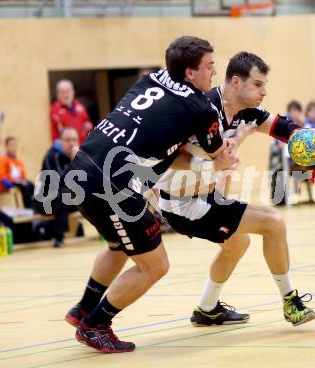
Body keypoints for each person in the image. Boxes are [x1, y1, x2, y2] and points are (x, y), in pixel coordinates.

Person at [64, 36, 230, 353]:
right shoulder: (200, 108)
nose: (214, 71)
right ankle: (95, 326)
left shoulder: (151, 78)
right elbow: (218, 155)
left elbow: (164, 146)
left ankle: (84, 308)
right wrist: (226, 154)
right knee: (155, 265)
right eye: (209, 66)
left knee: (119, 244)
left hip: (81, 167)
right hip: (111, 186)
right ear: (190, 73)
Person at [156, 52, 315, 327]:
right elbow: (169, 158)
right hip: (182, 202)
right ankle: (291, 301)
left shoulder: (246, 113)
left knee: (238, 244)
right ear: (236, 82)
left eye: (265, 85)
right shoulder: (200, 110)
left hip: (208, 197)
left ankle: (206, 309)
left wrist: (303, 136)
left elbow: (280, 126)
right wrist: (227, 152)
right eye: (257, 84)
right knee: (273, 222)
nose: (264, 92)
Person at [36, 127, 79, 247]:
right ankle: (58, 237)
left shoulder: (75, 155)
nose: (72, 143)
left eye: (74, 140)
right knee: (63, 193)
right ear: (60, 141)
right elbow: (58, 181)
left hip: (64, 200)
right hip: (45, 201)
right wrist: (74, 161)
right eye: (68, 140)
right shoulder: (52, 156)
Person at [50, 79, 93, 145]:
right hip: (68, 150)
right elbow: (55, 135)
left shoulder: (79, 105)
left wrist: (88, 125)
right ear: (58, 94)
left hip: (84, 146)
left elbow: (87, 121)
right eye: (62, 92)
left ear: (73, 91)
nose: (66, 95)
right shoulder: (54, 110)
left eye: (68, 91)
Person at [0, 136, 34, 208]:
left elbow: (23, 177)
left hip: (19, 182)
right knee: (25, 186)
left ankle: (34, 207)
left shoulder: (18, 162)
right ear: (6, 146)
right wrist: (11, 185)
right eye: (11, 145)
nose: (13, 147)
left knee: (31, 185)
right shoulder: (3, 160)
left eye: (15, 145)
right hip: (9, 183)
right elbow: (1, 178)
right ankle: (28, 208)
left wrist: (24, 181)